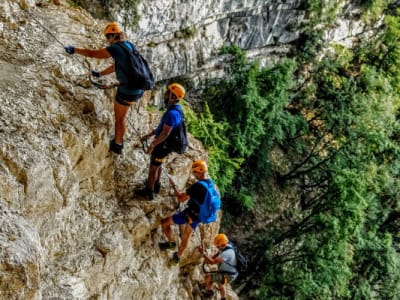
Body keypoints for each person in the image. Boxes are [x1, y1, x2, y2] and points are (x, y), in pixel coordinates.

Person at [64, 22, 145, 154]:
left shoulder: (116, 48)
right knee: (122, 116)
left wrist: (74, 50)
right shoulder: (128, 45)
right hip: (137, 88)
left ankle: (117, 144)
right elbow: (116, 66)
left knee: (120, 119)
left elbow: (92, 54)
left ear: (113, 36)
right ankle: (119, 140)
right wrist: (99, 74)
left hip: (128, 90)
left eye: (108, 37)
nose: (108, 41)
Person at [135, 83, 186, 200]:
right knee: (159, 163)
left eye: (168, 93)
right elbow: (161, 128)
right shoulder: (176, 110)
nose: (165, 94)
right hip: (165, 145)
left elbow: (165, 133)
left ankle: (149, 191)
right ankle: (156, 185)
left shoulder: (172, 114)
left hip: (163, 145)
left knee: (153, 167)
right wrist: (148, 136)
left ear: (173, 97)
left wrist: (153, 145)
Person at [158, 160, 213, 265]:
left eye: (194, 172)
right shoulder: (210, 183)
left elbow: (180, 198)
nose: (193, 174)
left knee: (164, 223)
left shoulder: (198, 186)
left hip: (189, 214)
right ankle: (177, 258)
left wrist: (173, 185)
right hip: (199, 216)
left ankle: (172, 244)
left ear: (199, 172)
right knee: (187, 235)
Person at [198, 233, 238, 300]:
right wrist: (209, 257)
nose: (217, 247)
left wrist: (203, 253)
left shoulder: (227, 253)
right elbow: (216, 255)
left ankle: (208, 294)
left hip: (228, 275)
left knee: (208, 278)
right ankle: (223, 298)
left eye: (217, 246)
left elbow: (212, 262)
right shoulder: (227, 245)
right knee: (220, 283)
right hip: (231, 273)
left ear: (221, 244)